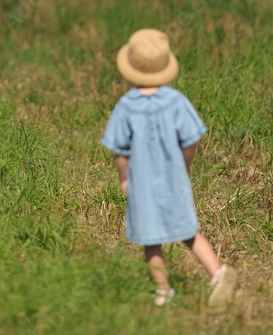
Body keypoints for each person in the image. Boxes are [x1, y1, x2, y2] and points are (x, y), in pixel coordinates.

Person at [100, 29, 236, 306]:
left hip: (143, 187)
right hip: (175, 182)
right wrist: (184, 169)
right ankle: (218, 272)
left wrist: (124, 180)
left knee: (151, 240)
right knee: (188, 232)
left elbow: (120, 152)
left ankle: (164, 290)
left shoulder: (125, 106)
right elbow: (190, 142)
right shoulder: (176, 101)